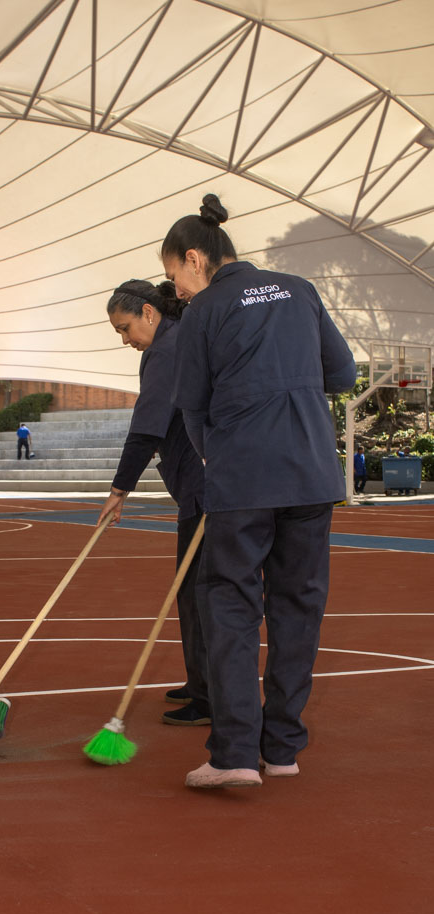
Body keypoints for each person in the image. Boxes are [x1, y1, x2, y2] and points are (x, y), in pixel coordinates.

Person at [162, 193, 357, 789]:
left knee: (230, 607)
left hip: (243, 479)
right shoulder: (299, 290)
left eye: (173, 277)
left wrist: (214, 451)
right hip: (310, 475)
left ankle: (235, 754)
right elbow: (343, 374)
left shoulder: (202, 313)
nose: (175, 292)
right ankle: (282, 748)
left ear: (195, 258)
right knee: (299, 608)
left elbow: (191, 406)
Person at [97, 279, 210, 726]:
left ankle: (209, 697)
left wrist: (118, 491)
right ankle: (201, 684)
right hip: (199, 483)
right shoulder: (172, 342)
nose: (126, 341)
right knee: (194, 590)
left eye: (126, 329)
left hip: (206, 487)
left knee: (200, 592)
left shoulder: (166, 350)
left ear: (148, 312)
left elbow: (146, 427)